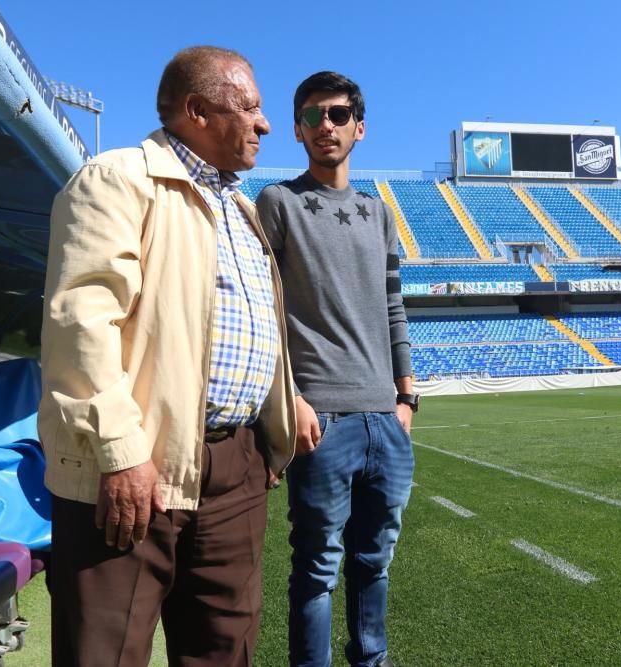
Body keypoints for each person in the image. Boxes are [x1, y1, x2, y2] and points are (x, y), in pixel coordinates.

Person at [39, 46, 296, 667]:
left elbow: (241, 327)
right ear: (196, 110)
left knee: (223, 647)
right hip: (134, 464)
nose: (264, 123)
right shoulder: (117, 179)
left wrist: (280, 415)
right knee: (106, 649)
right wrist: (122, 452)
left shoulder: (240, 207)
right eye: (251, 106)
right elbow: (81, 321)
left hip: (236, 462)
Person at [256, 71, 416, 667]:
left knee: (375, 562)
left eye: (339, 114)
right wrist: (289, 400)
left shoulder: (379, 213)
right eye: (312, 115)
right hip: (319, 417)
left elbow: (394, 307)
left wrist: (406, 400)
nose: (327, 124)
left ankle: (369, 660)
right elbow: (262, 309)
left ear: (360, 127)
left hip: (386, 420)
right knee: (318, 569)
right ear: (297, 130)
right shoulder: (277, 202)